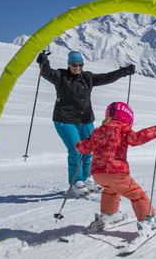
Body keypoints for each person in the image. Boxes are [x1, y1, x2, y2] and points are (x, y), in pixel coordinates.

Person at [36, 50, 135, 196]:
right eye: (74, 65)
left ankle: (86, 178)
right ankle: (76, 182)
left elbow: (106, 77)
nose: (77, 68)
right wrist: (43, 62)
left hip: (86, 120)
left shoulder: (87, 77)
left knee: (89, 150)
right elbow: (46, 72)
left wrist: (124, 71)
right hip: (65, 120)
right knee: (76, 150)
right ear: (69, 64)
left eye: (80, 65)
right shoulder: (60, 76)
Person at [76, 102, 156, 231]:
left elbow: (82, 147)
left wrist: (83, 144)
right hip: (116, 172)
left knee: (110, 190)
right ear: (127, 117)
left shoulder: (97, 131)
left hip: (98, 175)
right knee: (137, 195)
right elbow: (136, 139)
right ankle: (149, 220)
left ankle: (109, 215)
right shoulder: (122, 129)